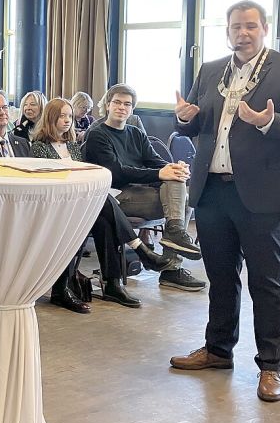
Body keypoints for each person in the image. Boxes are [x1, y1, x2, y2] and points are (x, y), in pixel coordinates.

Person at [169, 0, 280, 402]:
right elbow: (197, 121)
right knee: (220, 277)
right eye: (236, 26)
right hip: (212, 191)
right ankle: (219, 350)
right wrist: (185, 118)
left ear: (265, 28)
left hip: (264, 194)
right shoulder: (210, 70)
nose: (243, 33)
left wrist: (268, 121)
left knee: (266, 282)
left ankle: (271, 367)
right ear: (227, 30)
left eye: (251, 26)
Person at [32, 99, 176, 311]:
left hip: (82, 202)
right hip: (58, 205)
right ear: (50, 119)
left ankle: (113, 284)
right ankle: (139, 250)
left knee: (103, 219)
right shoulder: (39, 147)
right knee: (101, 201)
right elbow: (51, 179)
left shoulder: (73, 145)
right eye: (61, 116)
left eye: (69, 117)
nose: (66, 121)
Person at [83, 83, 207, 292]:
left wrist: (174, 168)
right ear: (107, 105)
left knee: (178, 186)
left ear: (132, 109)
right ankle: (171, 266)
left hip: (139, 191)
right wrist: (160, 173)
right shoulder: (97, 134)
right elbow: (117, 171)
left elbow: (154, 160)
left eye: (127, 104)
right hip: (114, 197)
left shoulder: (135, 133)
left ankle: (173, 245)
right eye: (117, 103)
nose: (122, 107)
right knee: (179, 200)